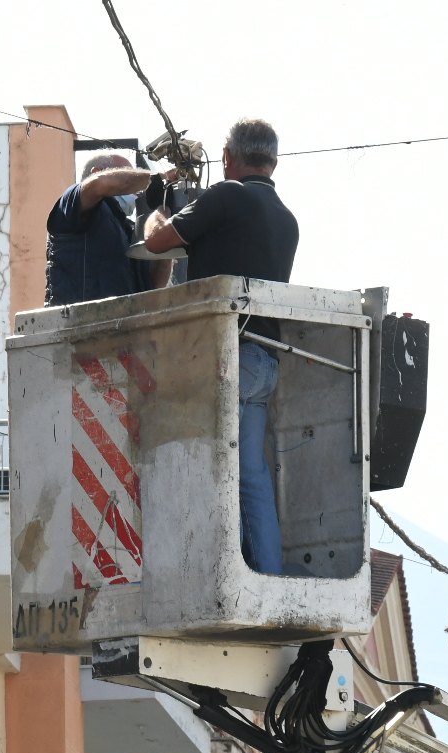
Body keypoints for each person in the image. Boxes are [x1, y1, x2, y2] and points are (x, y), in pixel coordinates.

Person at [144, 118, 299, 575]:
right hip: (263, 358)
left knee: (199, 464)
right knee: (250, 476)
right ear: (273, 161)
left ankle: (213, 573)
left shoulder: (227, 196)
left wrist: (157, 207)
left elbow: (157, 242)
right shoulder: (287, 220)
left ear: (229, 157)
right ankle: (267, 576)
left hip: (222, 356)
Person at [45, 152, 172, 306]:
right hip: (77, 323)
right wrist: (159, 178)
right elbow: (101, 183)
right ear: (96, 172)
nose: (136, 190)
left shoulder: (130, 231)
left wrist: (166, 230)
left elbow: (155, 285)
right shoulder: (71, 200)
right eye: (128, 175)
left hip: (124, 323)